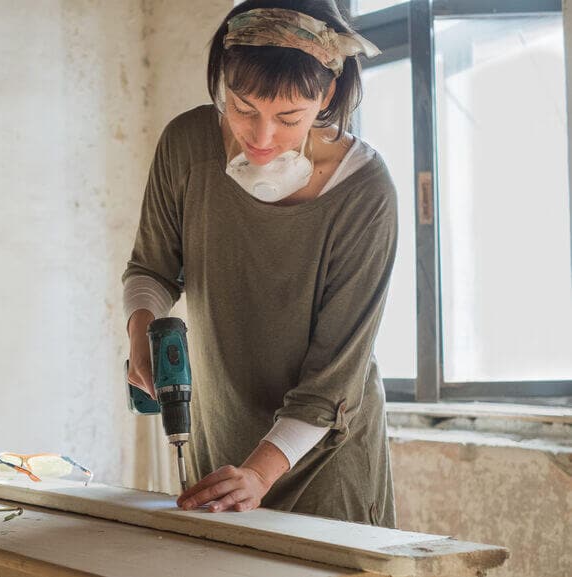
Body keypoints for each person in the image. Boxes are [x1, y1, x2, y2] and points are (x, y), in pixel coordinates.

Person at [122, 0, 398, 528]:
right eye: (242, 107)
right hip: (221, 447)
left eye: (289, 118)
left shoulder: (366, 191)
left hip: (326, 463)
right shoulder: (188, 144)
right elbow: (151, 270)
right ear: (222, 81)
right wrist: (140, 331)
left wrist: (260, 474)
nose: (262, 138)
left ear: (329, 94)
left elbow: (333, 381)